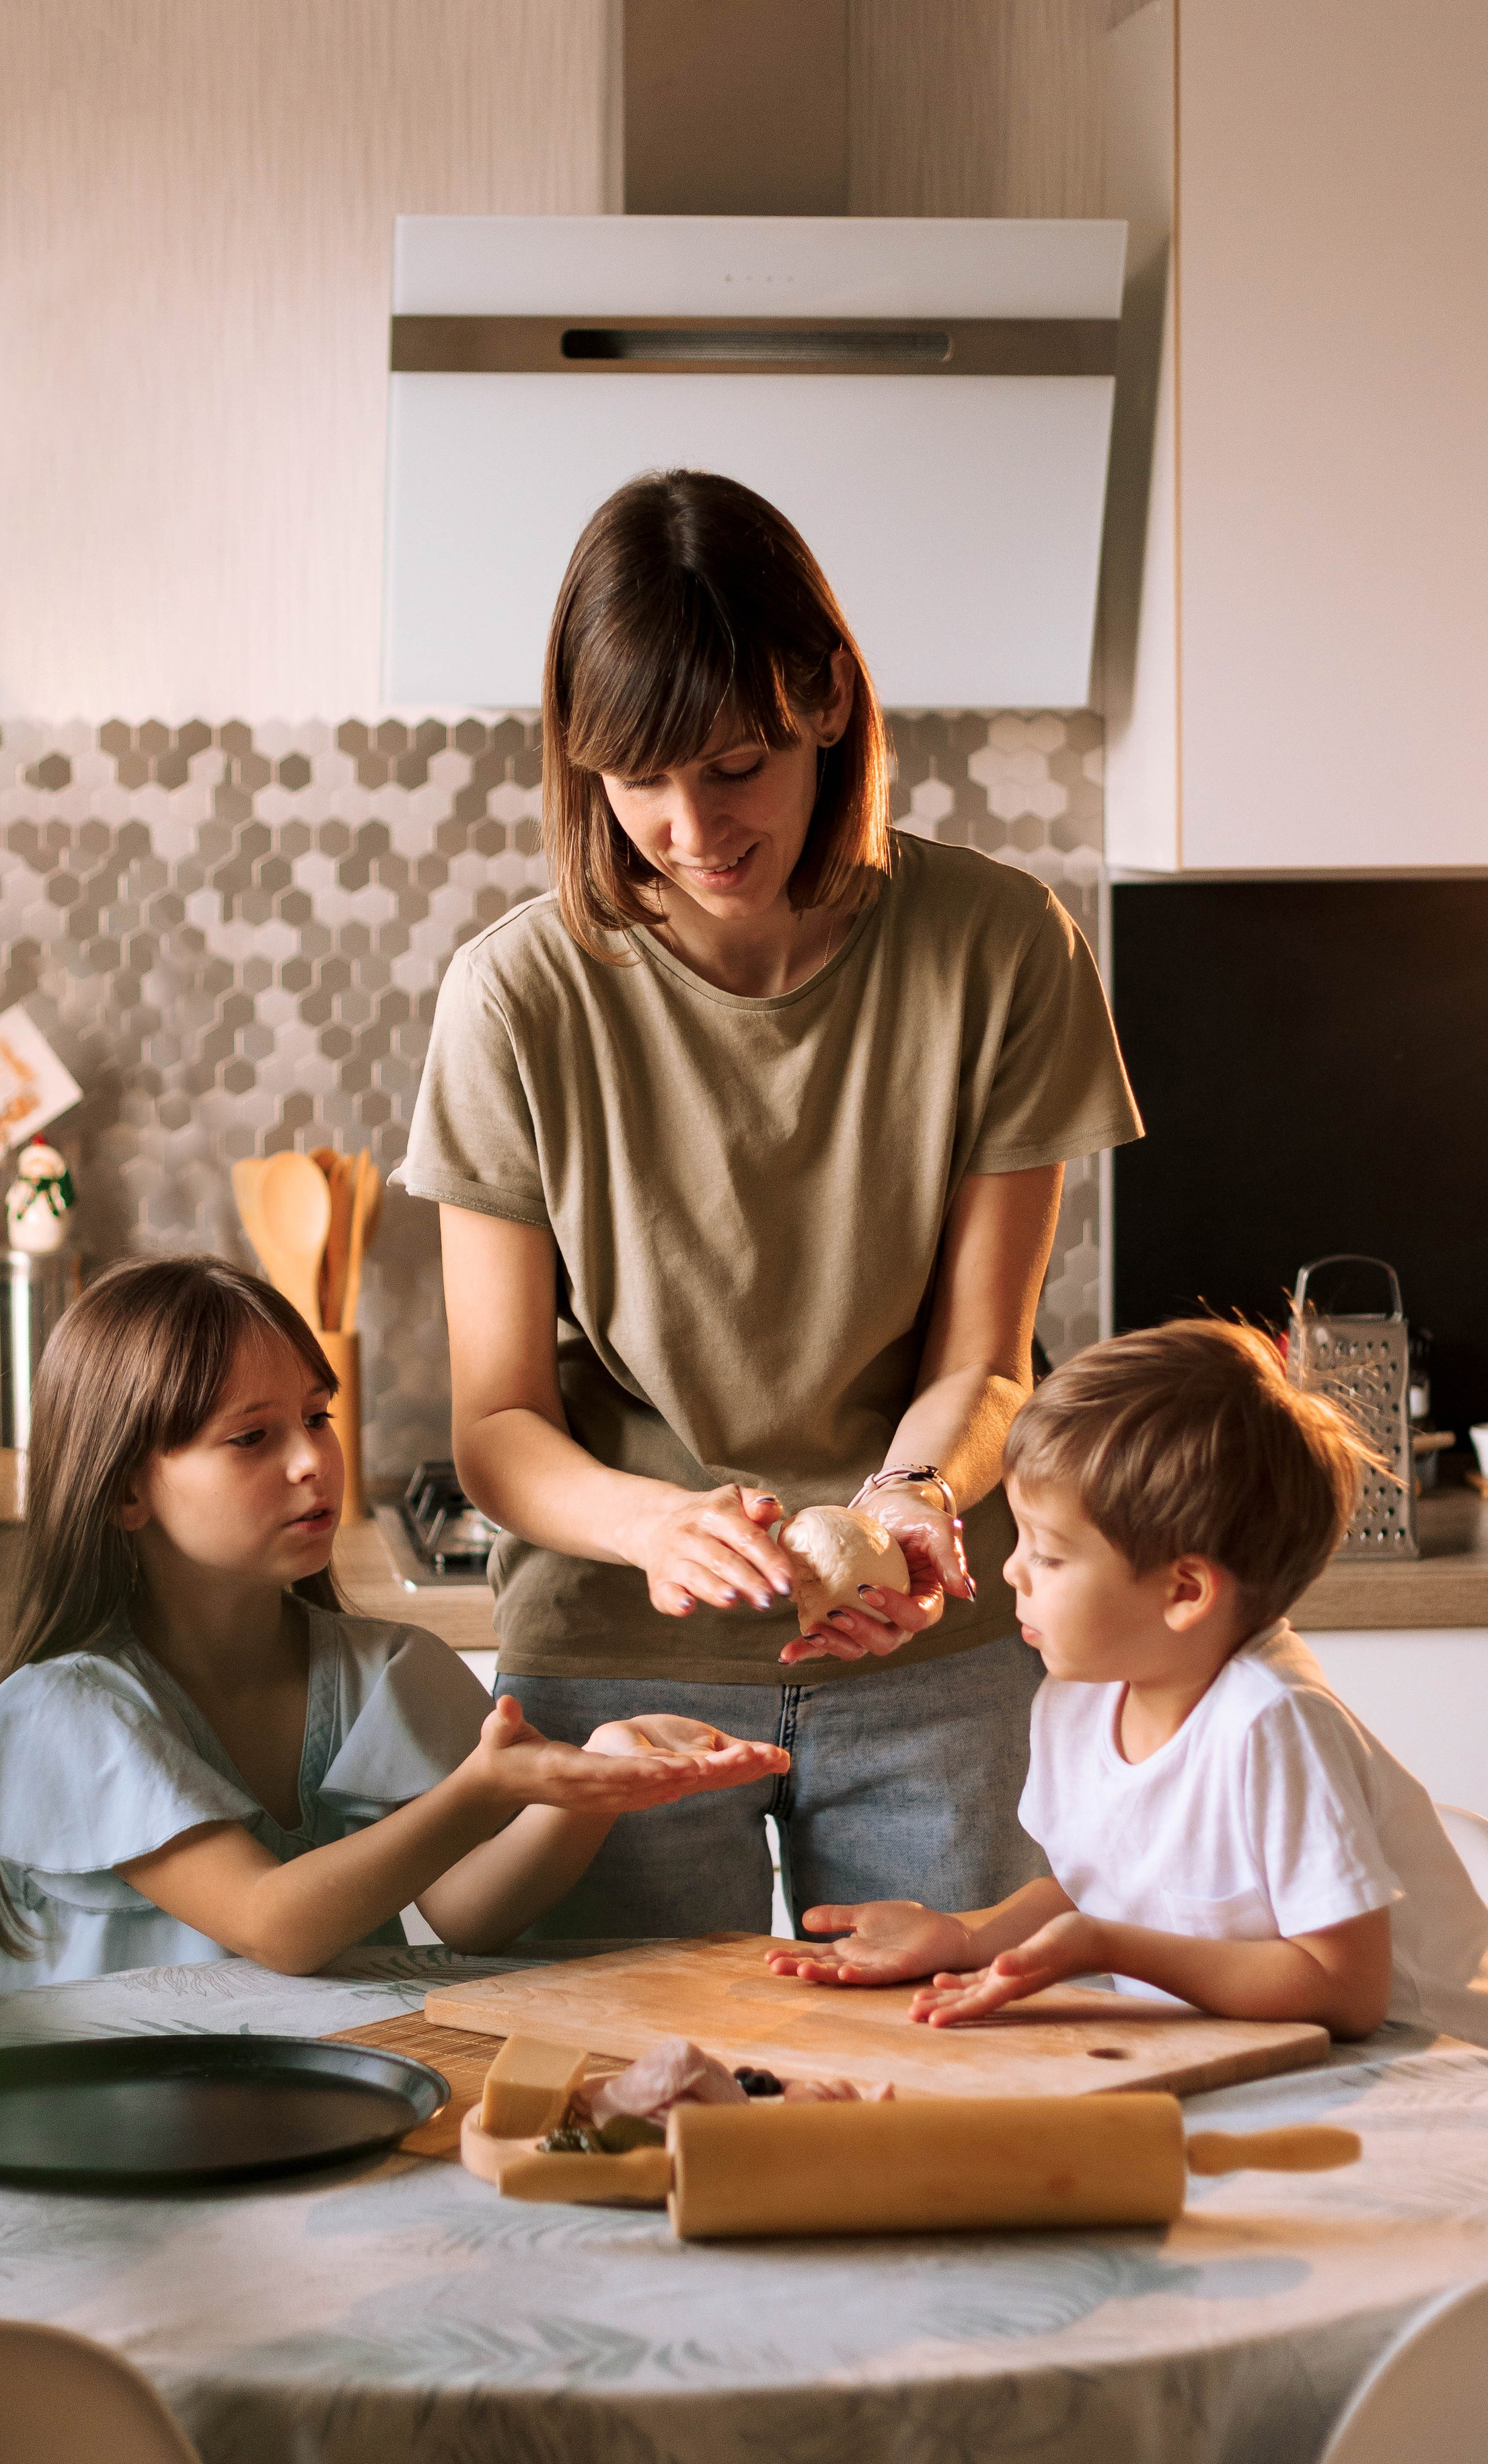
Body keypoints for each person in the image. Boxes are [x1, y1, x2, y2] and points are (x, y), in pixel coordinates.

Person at [399, 468, 1142, 1937]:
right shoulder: (515, 996)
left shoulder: (998, 951)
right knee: (636, 2106)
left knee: (942, 2112)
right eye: (636, 778)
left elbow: (981, 1363)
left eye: (734, 764)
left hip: (927, 1653)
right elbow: (492, 1430)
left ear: (821, 702)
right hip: (619, 1665)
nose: (690, 826)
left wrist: (911, 1504)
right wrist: (659, 1528)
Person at [0, 1257, 786, 1988]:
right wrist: (482, 1788)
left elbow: (469, 1916)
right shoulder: (66, 1713)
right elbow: (274, 1924)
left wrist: (599, 1779)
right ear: (127, 1489)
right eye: (251, 1438)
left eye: (316, 1417)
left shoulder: (389, 1671)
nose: (313, 1461)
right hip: (105, 2146)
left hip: (316, 2117)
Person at [770, 1319, 1488, 2077]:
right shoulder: (1074, 1701)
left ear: (1184, 1591)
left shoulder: (1271, 1725)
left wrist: (1108, 1948)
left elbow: (1344, 1993)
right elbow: (1098, 1884)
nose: (1011, 1572)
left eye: (1046, 1554)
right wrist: (964, 1936)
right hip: (1291, 2068)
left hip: (1452, 2079)